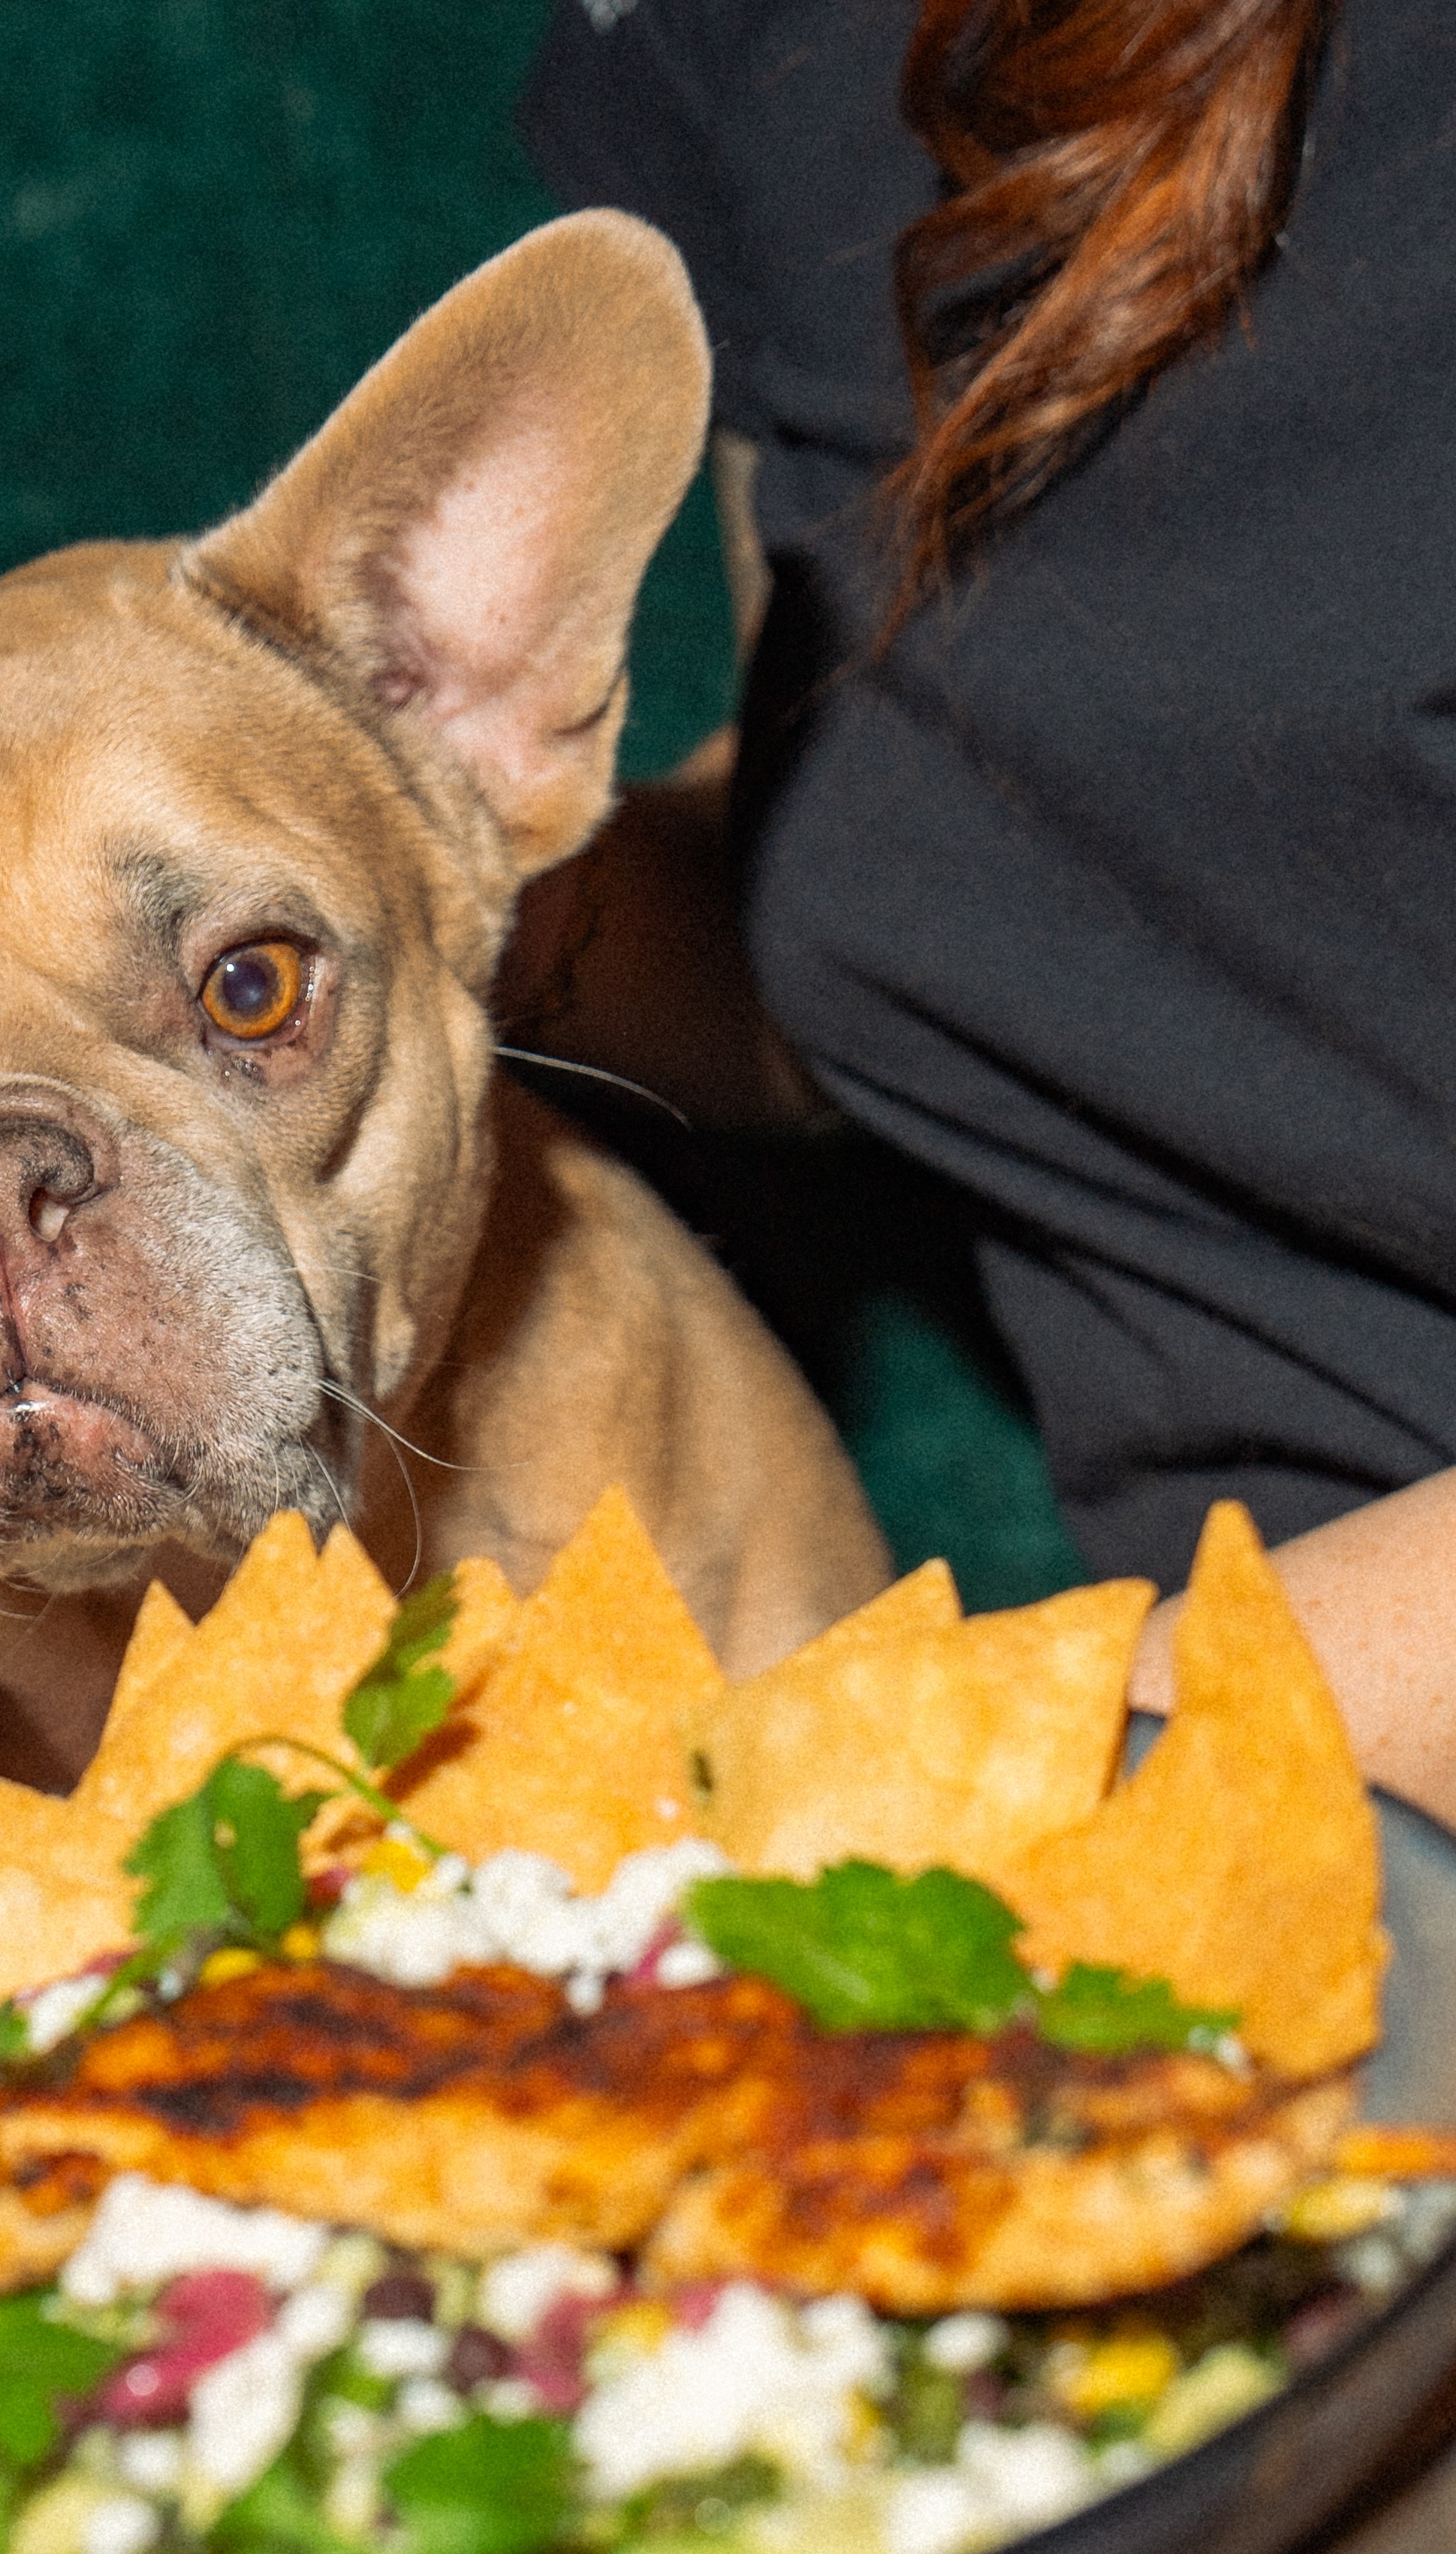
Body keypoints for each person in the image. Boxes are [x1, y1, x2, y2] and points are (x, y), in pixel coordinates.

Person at [503, 0, 1456, 1821]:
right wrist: (399, 896)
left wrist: (951, 1778)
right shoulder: (722, 49)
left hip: (1165, 1789)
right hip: (1223, 1852)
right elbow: (868, 919)